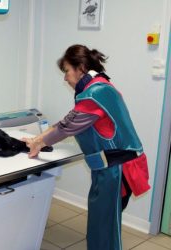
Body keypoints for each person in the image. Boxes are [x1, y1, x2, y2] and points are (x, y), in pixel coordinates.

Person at [22, 44, 150, 250]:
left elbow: (67, 127)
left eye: (66, 71)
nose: (65, 78)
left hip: (117, 169)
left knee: (104, 229)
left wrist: (38, 142)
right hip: (108, 167)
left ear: (80, 67)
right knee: (102, 225)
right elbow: (69, 120)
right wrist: (39, 137)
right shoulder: (96, 87)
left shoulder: (96, 92)